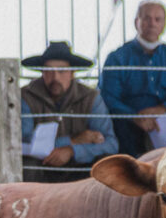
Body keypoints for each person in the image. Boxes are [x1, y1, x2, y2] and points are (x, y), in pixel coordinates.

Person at [99, 0, 166, 157]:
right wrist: (134, 117)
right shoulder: (117, 58)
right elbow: (108, 98)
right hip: (129, 121)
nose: (152, 23)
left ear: (164, 24)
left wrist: (162, 109)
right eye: (146, 18)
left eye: (158, 19)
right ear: (136, 22)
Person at [19, 41, 117, 183]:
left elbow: (111, 144)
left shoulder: (90, 97)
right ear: (42, 72)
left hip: (79, 167)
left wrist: (72, 151)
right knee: (28, 165)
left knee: (104, 162)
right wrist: (73, 140)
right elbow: (26, 142)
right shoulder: (27, 96)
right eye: (49, 71)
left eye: (62, 71)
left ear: (72, 73)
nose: (55, 78)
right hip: (43, 166)